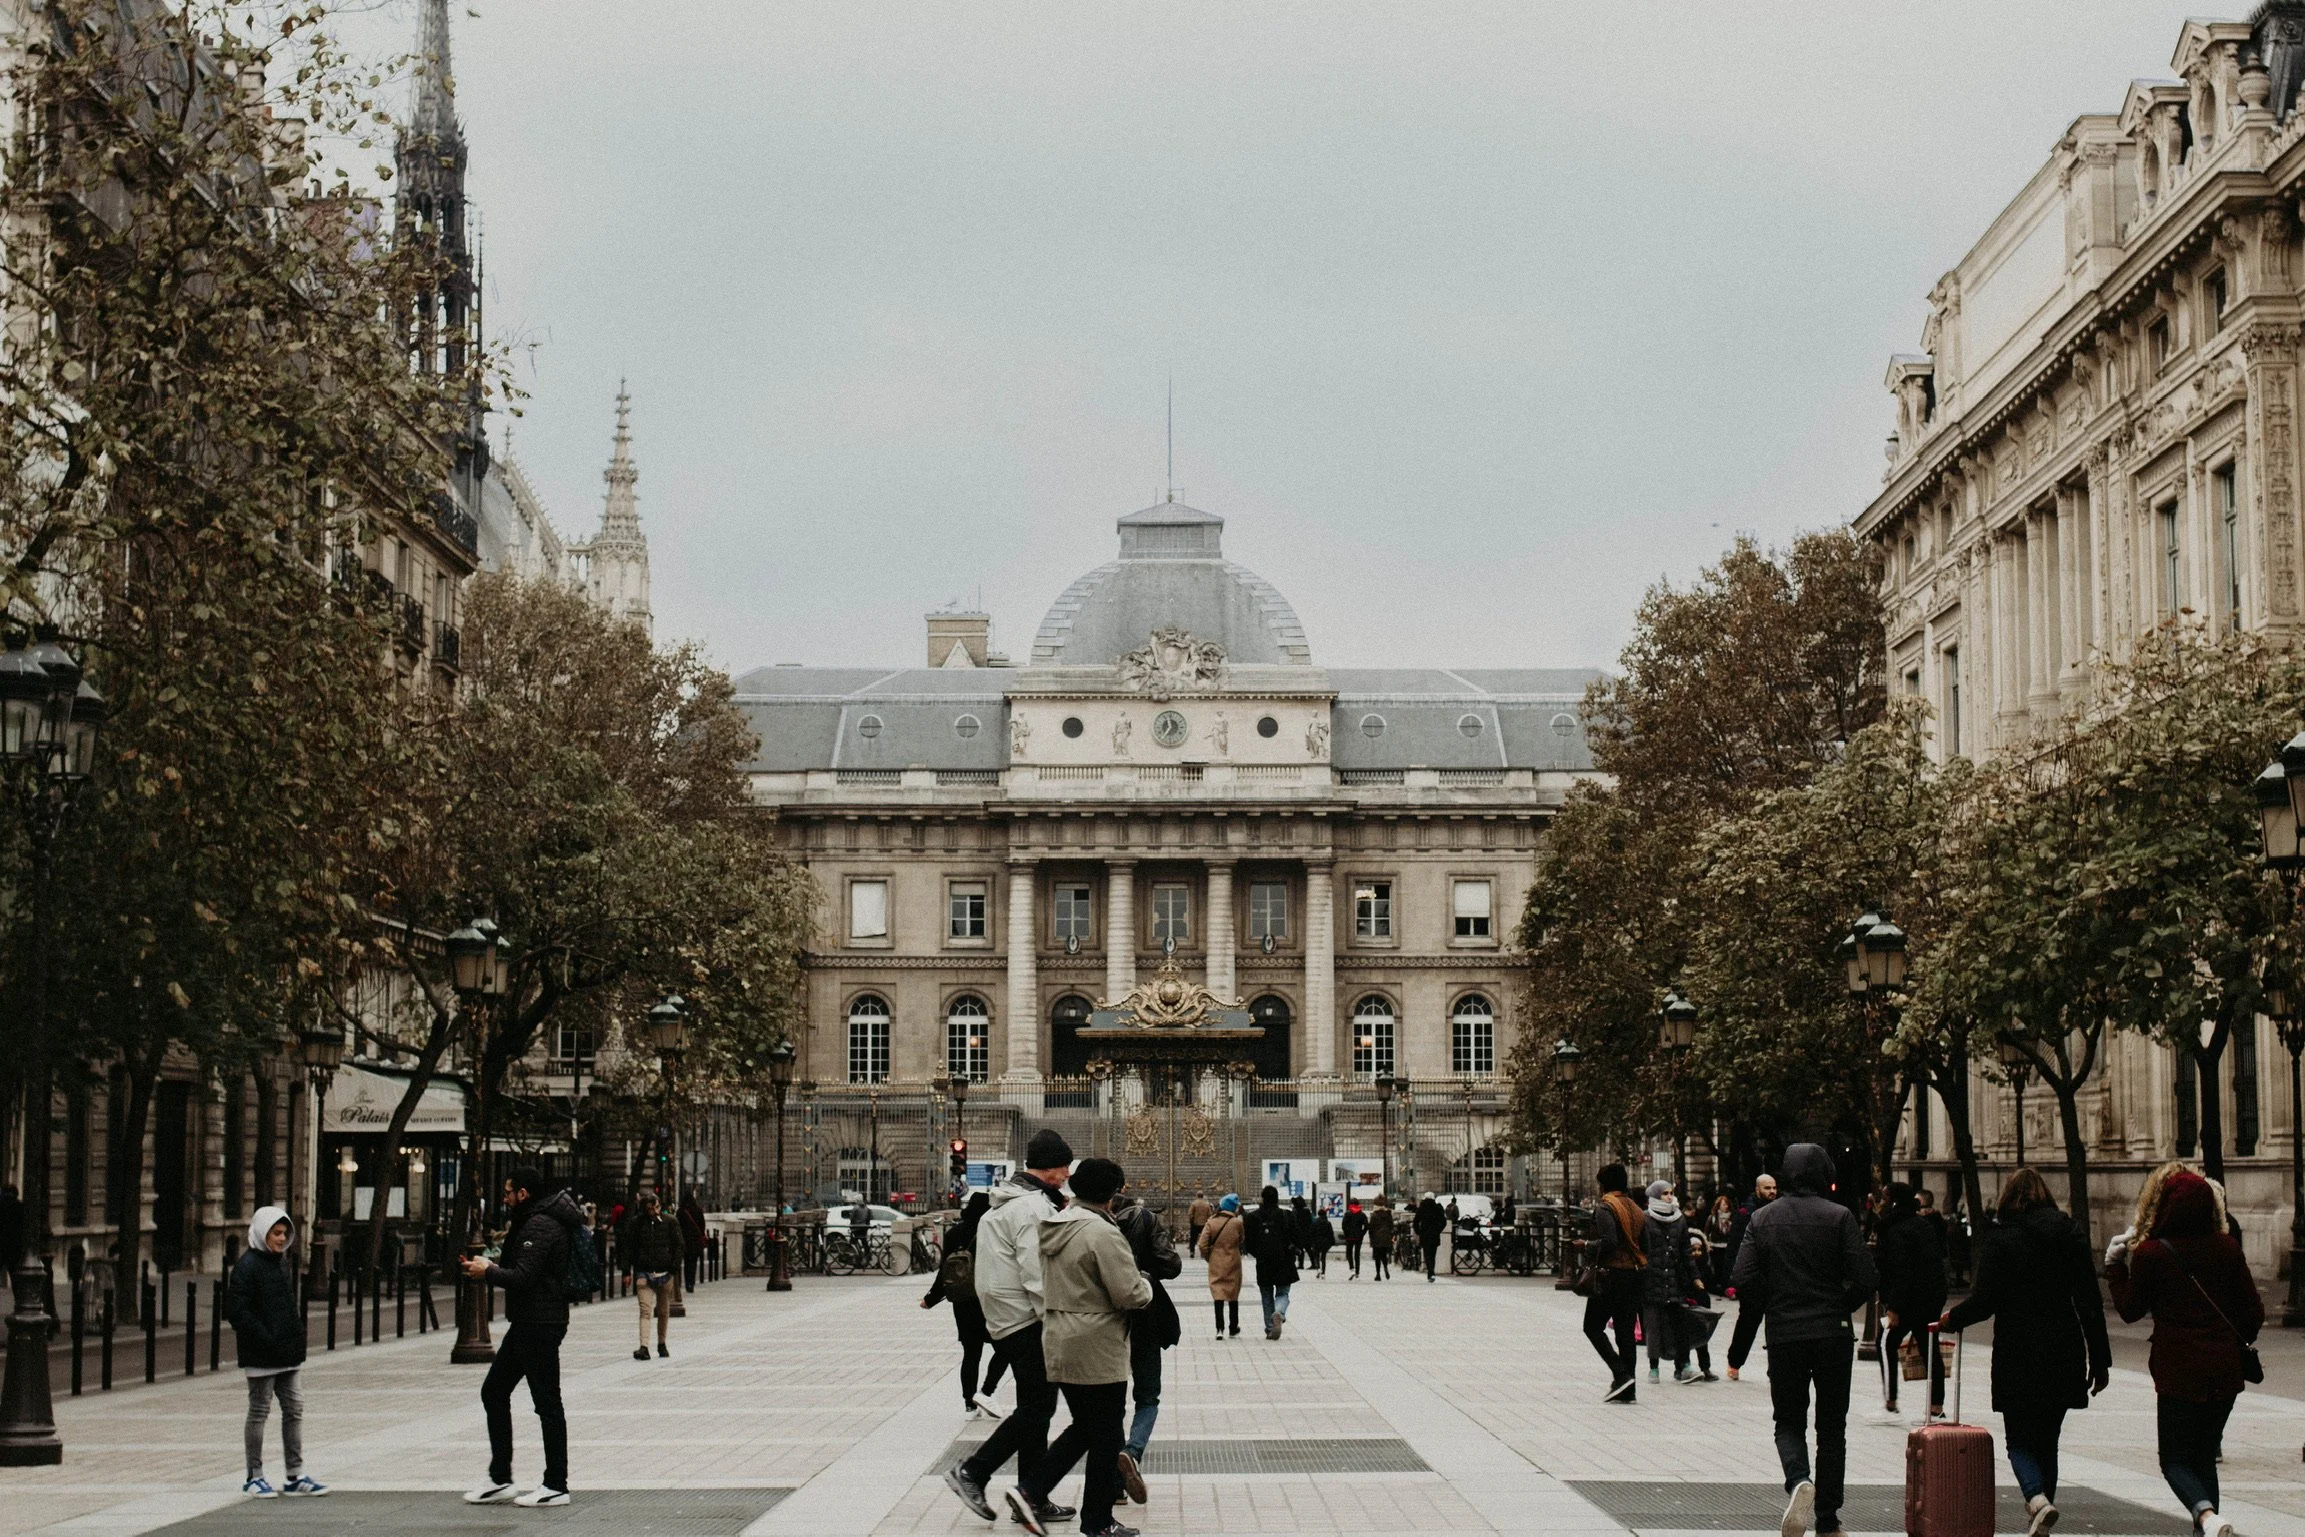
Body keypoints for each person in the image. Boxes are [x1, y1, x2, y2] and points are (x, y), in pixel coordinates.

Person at [1940, 1168, 2110, 1537]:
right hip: (2063, 1348)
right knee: (2049, 1440)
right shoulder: (2070, 1236)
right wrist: (2100, 1358)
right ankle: (2042, 1515)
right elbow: (2089, 1301)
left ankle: (2036, 1499)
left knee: (2018, 1439)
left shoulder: (2002, 1241)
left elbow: (1985, 1301)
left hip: (2017, 1350)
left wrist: (1952, 1319)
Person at [2106, 1163, 2262, 1537]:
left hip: (2178, 1371)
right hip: (2224, 1370)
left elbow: (2129, 1310)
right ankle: (2209, 1527)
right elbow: (2253, 1313)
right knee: (2204, 1456)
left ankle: (2206, 1518)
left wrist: (2114, 1266)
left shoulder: (2151, 1254)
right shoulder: (2227, 1247)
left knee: (2174, 1460)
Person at [1727, 1144, 1875, 1537]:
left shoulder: (1762, 1219)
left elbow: (1741, 1277)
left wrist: (1774, 1302)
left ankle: (1798, 1480)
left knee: (1788, 1421)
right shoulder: (1840, 1216)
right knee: (1832, 1428)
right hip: (1832, 1334)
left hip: (1786, 1334)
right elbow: (1865, 1277)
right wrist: (1841, 1304)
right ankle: (1828, 1518)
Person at [1006, 1157, 1151, 1537]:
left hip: (1059, 1336)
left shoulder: (1055, 1225)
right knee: (1107, 1437)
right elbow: (1129, 1293)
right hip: (1096, 1342)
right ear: (1112, 1192)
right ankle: (1096, 1522)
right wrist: (1147, 1284)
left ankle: (1031, 1491)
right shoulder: (1101, 1232)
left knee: (1086, 1427)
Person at [945, 1131, 1077, 1532]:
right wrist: (1055, 1317)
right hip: (1028, 1320)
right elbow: (1037, 1271)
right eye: (1064, 1167)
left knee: (1036, 1409)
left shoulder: (1003, 1205)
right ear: (1051, 1168)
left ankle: (1031, 1496)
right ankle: (973, 1472)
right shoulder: (1031, 1209)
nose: (1067, 1175)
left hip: (1005, 1318)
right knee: (1038, 1409)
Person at [462, 1166, 587, 1508]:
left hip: (540, 1322)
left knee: (547, 1401)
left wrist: (486, 1272)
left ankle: (556, 1484)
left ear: (524, 1194)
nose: (504, 1198)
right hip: (529, 1322)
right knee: (494, 1391)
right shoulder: (534, 1219)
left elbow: (524, 1276)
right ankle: (501, 1478)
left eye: (507, 1191)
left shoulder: (540, 1224)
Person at [226, 1205, 326, 1499]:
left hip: (285, 1352)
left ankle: (294, 1474)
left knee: (294, 1409)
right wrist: (265, 1337)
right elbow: (237, 1311)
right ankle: (253, 1475)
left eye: (284, 1233)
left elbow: (285, 1306)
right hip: (262, 1352)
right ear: (261, 1233)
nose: (281, 1239)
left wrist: (295, 1339)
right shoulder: (246, 1267)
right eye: (276, 1233)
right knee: (259, 1411)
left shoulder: (279, 1263)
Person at [1112, 1189, 1180, 1507]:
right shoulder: (1147, 1220)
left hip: (1107, 1320)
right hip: (1145, 1315)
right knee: (1148, 1396)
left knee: (1109, 1404)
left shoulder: (1093, 1223)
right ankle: (1132, 1450)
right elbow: (1172, 1266)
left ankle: (1113, 1485)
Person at [924, 1191, 1006, 1417]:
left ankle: (969, 1403)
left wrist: (931, 1298)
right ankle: (987, 1391)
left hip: (962, 1301)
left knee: (971, 1354)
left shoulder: (953, 1233)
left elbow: (945, 1271)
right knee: (1005, 1349)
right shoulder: (992, 1232)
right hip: (989, 1299)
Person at [1872, 1182, 1949, 1420]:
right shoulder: (1923, 1226)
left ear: (1894, 1201)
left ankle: (1890, 1397)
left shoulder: (1895, 1230)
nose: (1881, 1201)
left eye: (1885, 1197)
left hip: (1907, 1301)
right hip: (1929, 1298)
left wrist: (1893, 1307)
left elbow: (1900, 1270)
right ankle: (1936, 1404)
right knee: (1930, 1349)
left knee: (1885, 1342)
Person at [1583, 1165, 1647, 1402]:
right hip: (1634, 1276)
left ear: (1605, 1184)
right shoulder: (1637, 1210)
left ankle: (1620, 1374)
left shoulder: (1606, 1207)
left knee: (1592, 1326)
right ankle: (1628, 1389)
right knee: (1626, 1333)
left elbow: (1608, 1241)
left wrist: (1586, 1246)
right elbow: (1645, 1246)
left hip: (1611, 1275)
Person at [1640, 1180, 1696, 1385]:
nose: (1669, 1197)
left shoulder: (1679, 1218)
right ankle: (1653, 1368)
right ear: (1655, 1196)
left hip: (1675, 1279)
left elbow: (1686, 1251)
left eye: (1671, 1193)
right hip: (1652, 1279)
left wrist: (1695, 1277)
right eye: (1664, 1194)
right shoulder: (1645, 1219)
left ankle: (1683, 1365)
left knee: (1679, 1325)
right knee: (1653, 1327)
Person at [621, 1189, 682, 1362]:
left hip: (665, 1272)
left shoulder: (670, 1222)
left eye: (656, 1208)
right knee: (645, 1310)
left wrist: (673, 1268)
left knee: (663, 1311)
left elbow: (679, 1245)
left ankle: (662, 1343)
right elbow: (628, 1249)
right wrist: (626, 1271)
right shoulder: (636, 1224)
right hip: (644, 1272)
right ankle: (644, 1346)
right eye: (650, 1209)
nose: (654, 1212)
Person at [1244, 1186, 1300, 1339]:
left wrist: (1258, 1254)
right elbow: (1296, 1237)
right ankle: (1279, 1313)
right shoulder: (1286, 1215)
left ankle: (1270, 1328)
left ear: (1263, 1198)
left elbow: (1248, 1243)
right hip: (1284, 1260)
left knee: (1266, 1295)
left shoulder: (1252, 1217)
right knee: (1283, 1293)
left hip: (1263, 1262)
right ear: (1277, 1198)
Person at [1196, 1194, 1244, 1339]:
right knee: (1233, 1294)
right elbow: (1241, 1239)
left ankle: (1219, 1328)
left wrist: (1209, 1257)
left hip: (1216, 1261)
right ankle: (1233, 1327)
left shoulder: (1212, 1222)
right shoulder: (1237, 1223)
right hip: (1233, 1260)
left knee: (1218, 1294)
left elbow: (1202, 1244)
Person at [1723, 1173, 1777, 1296]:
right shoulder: (1745, 1214)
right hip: (1751, 1277)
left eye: (1774, 1188)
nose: (1772, 1191)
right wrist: (1730, 1281)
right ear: (1758, 1190)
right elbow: (1734, 1247)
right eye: (1767, 1188)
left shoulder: (1778, 1211)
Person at [1704, 1194, 1736, 1292]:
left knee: (1726, 1267)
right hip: (1715, 1246)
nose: (1725, 1206)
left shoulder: (1732, 1217)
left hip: (1727, 1246)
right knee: (1717, 1267)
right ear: (1718, 1206)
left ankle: (1725, 1285)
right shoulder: (1713, 1217)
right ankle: (1717, 1286)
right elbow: (1706, 1232)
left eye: (1727, 1204)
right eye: (1723, 1204)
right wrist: (1707, 1244)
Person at [678, 1192, 708, 1290]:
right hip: (695, 1241)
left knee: (685, 1263)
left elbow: (677, 1226)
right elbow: (702, 1225)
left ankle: (686, 1282)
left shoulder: (680, 1211)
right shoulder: (698, 1210)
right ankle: (691, 1283)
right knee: (693, 1263)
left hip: (684, 1240)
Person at [1414, 1194, 1445, 1283]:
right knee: (1433, 1254)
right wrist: (1438, 1230)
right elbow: (1443, 1221)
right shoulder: (1438, 1208)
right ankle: (1431, 1272)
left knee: (1427, 1254)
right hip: (1434, 1234)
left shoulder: (1422, 1207)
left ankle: (1430, 1272)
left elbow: (1416, 1221)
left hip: (1425, 1233)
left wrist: (1418, 1231)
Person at [1367, 1200, 1395, 1282]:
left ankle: (1378, 1274)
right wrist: (1391, 1236)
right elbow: (1391, 1226)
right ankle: (1385, 1268)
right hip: (1386, 1237)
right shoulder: (1388, 1214)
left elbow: (1371, 1228)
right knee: (1384, 1255)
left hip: (1376, 1237)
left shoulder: (1374, 1215)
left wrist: (1371, 1238)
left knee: (1377, 1257)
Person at [0, 1184, 24, 1277]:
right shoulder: (20, 1206)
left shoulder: (1, 1205)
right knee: (15, 1275)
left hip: (2, 1245)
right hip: (14, 1246)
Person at [1341, 1202, 1367, 1279]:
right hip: (1358, 1237)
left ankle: (1352, 1268)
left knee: (1349, 1253)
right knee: (1357, 1254)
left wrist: (1346, 1234)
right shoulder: (1362, 1214)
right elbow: (1366, 1226)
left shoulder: (1347, 1214)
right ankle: (1357, 1272)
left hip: (1349, 1237)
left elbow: (1343, 1226)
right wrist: (1362, 1234)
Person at [1308, 1206, 1335, 1279]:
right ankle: (1323, 1273)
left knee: (1316, 1257)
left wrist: (1311, 1242)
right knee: (1323, 1258)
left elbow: (1311, 1233)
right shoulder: (1328, 1223)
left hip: (1316, 1242)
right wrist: (1332, 1243)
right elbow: (1331, 1234)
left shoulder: (1315, 1223)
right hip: (1325, 1242)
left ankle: (1318, 1269)